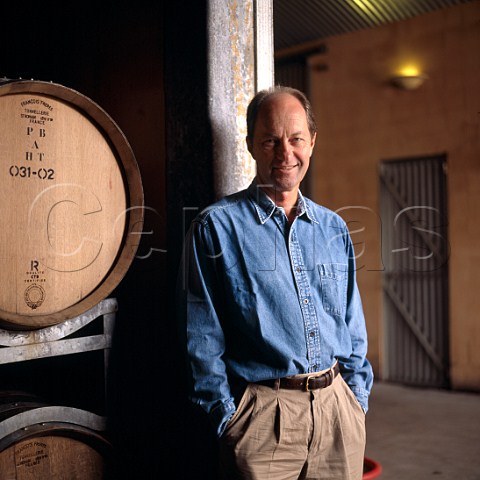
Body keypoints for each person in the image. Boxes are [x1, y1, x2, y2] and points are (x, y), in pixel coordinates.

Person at [177, 86, 373, 480]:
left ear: (312, 143)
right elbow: (199, 336)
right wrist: (228, 419)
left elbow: (351, 325)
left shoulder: (334, 228)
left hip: (338, 414)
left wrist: (356, 400)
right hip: (262, 422)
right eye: (270, 140)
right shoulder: (215, 228)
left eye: (297, 139)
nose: (286, 153)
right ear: (251, 144)